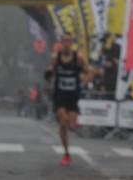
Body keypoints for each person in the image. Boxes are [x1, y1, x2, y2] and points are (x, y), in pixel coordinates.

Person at [46, 33, 89, 166]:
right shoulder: (56, 57)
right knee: (63, 121)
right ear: (61, 42)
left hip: (73, 96)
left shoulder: (79, 57)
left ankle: (69, 126)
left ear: (72, 43)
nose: (66, 44)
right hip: (60, 95)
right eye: (64, 41)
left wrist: (84, 81)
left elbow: (88, 72)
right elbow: (50, 74)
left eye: (69, 41)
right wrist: (48, 78)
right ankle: (66, 153)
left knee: (70, 123)